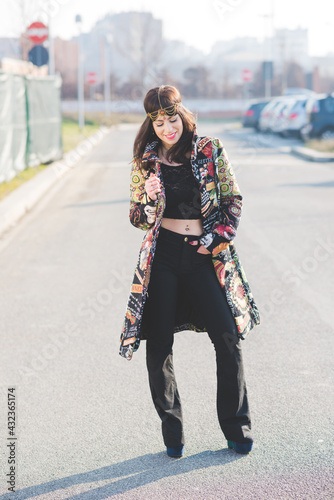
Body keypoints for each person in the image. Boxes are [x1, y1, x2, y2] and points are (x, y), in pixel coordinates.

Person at [119, 85, 260, 458]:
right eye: (159, 123)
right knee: (159, 346)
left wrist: (217, 238)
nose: (167, 129)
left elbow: (232, 199)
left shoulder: (210, 150)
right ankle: (173, 432)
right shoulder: (145, 161)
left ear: (183, 114)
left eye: (171, 119)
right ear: (152, 124)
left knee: (228, 338)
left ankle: (237, 427)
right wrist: (148, 199)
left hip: (204, 255)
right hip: (162, 257)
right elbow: (136, 217)